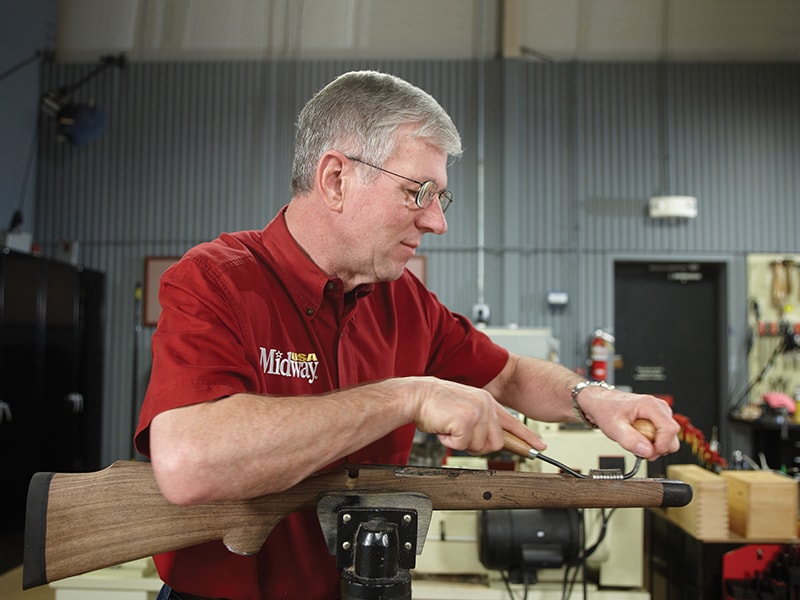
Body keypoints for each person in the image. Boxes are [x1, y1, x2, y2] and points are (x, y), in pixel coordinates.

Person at [136, 69, 680, 600]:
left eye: (440, 198)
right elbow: (189, 463)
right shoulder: (217, 280)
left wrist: (597, 399)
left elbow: (508, 374)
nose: (437, 222)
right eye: (418, 191)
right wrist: (410, 395)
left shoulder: (404, 301)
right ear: (336, 179)